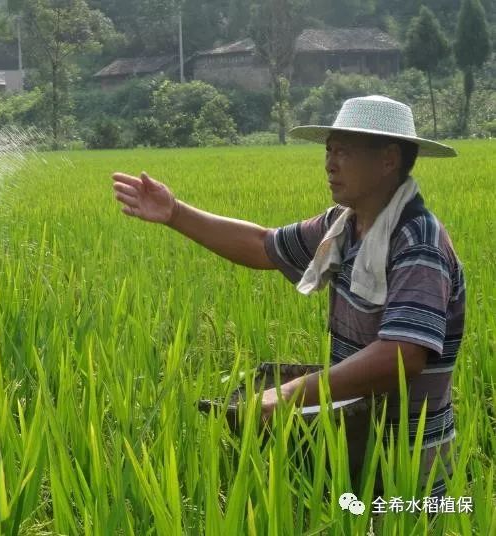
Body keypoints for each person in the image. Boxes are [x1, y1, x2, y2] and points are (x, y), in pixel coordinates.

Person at [111, 95, 464, 498]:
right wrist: (175, 213)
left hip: (409, 454)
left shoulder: (417, 241)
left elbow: (403, 354)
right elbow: (264, 245)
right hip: (356, 435)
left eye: (344, 152)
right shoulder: (344, 226)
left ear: (388, 159)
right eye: (329, 150)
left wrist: (290, 394)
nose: (329, 164)